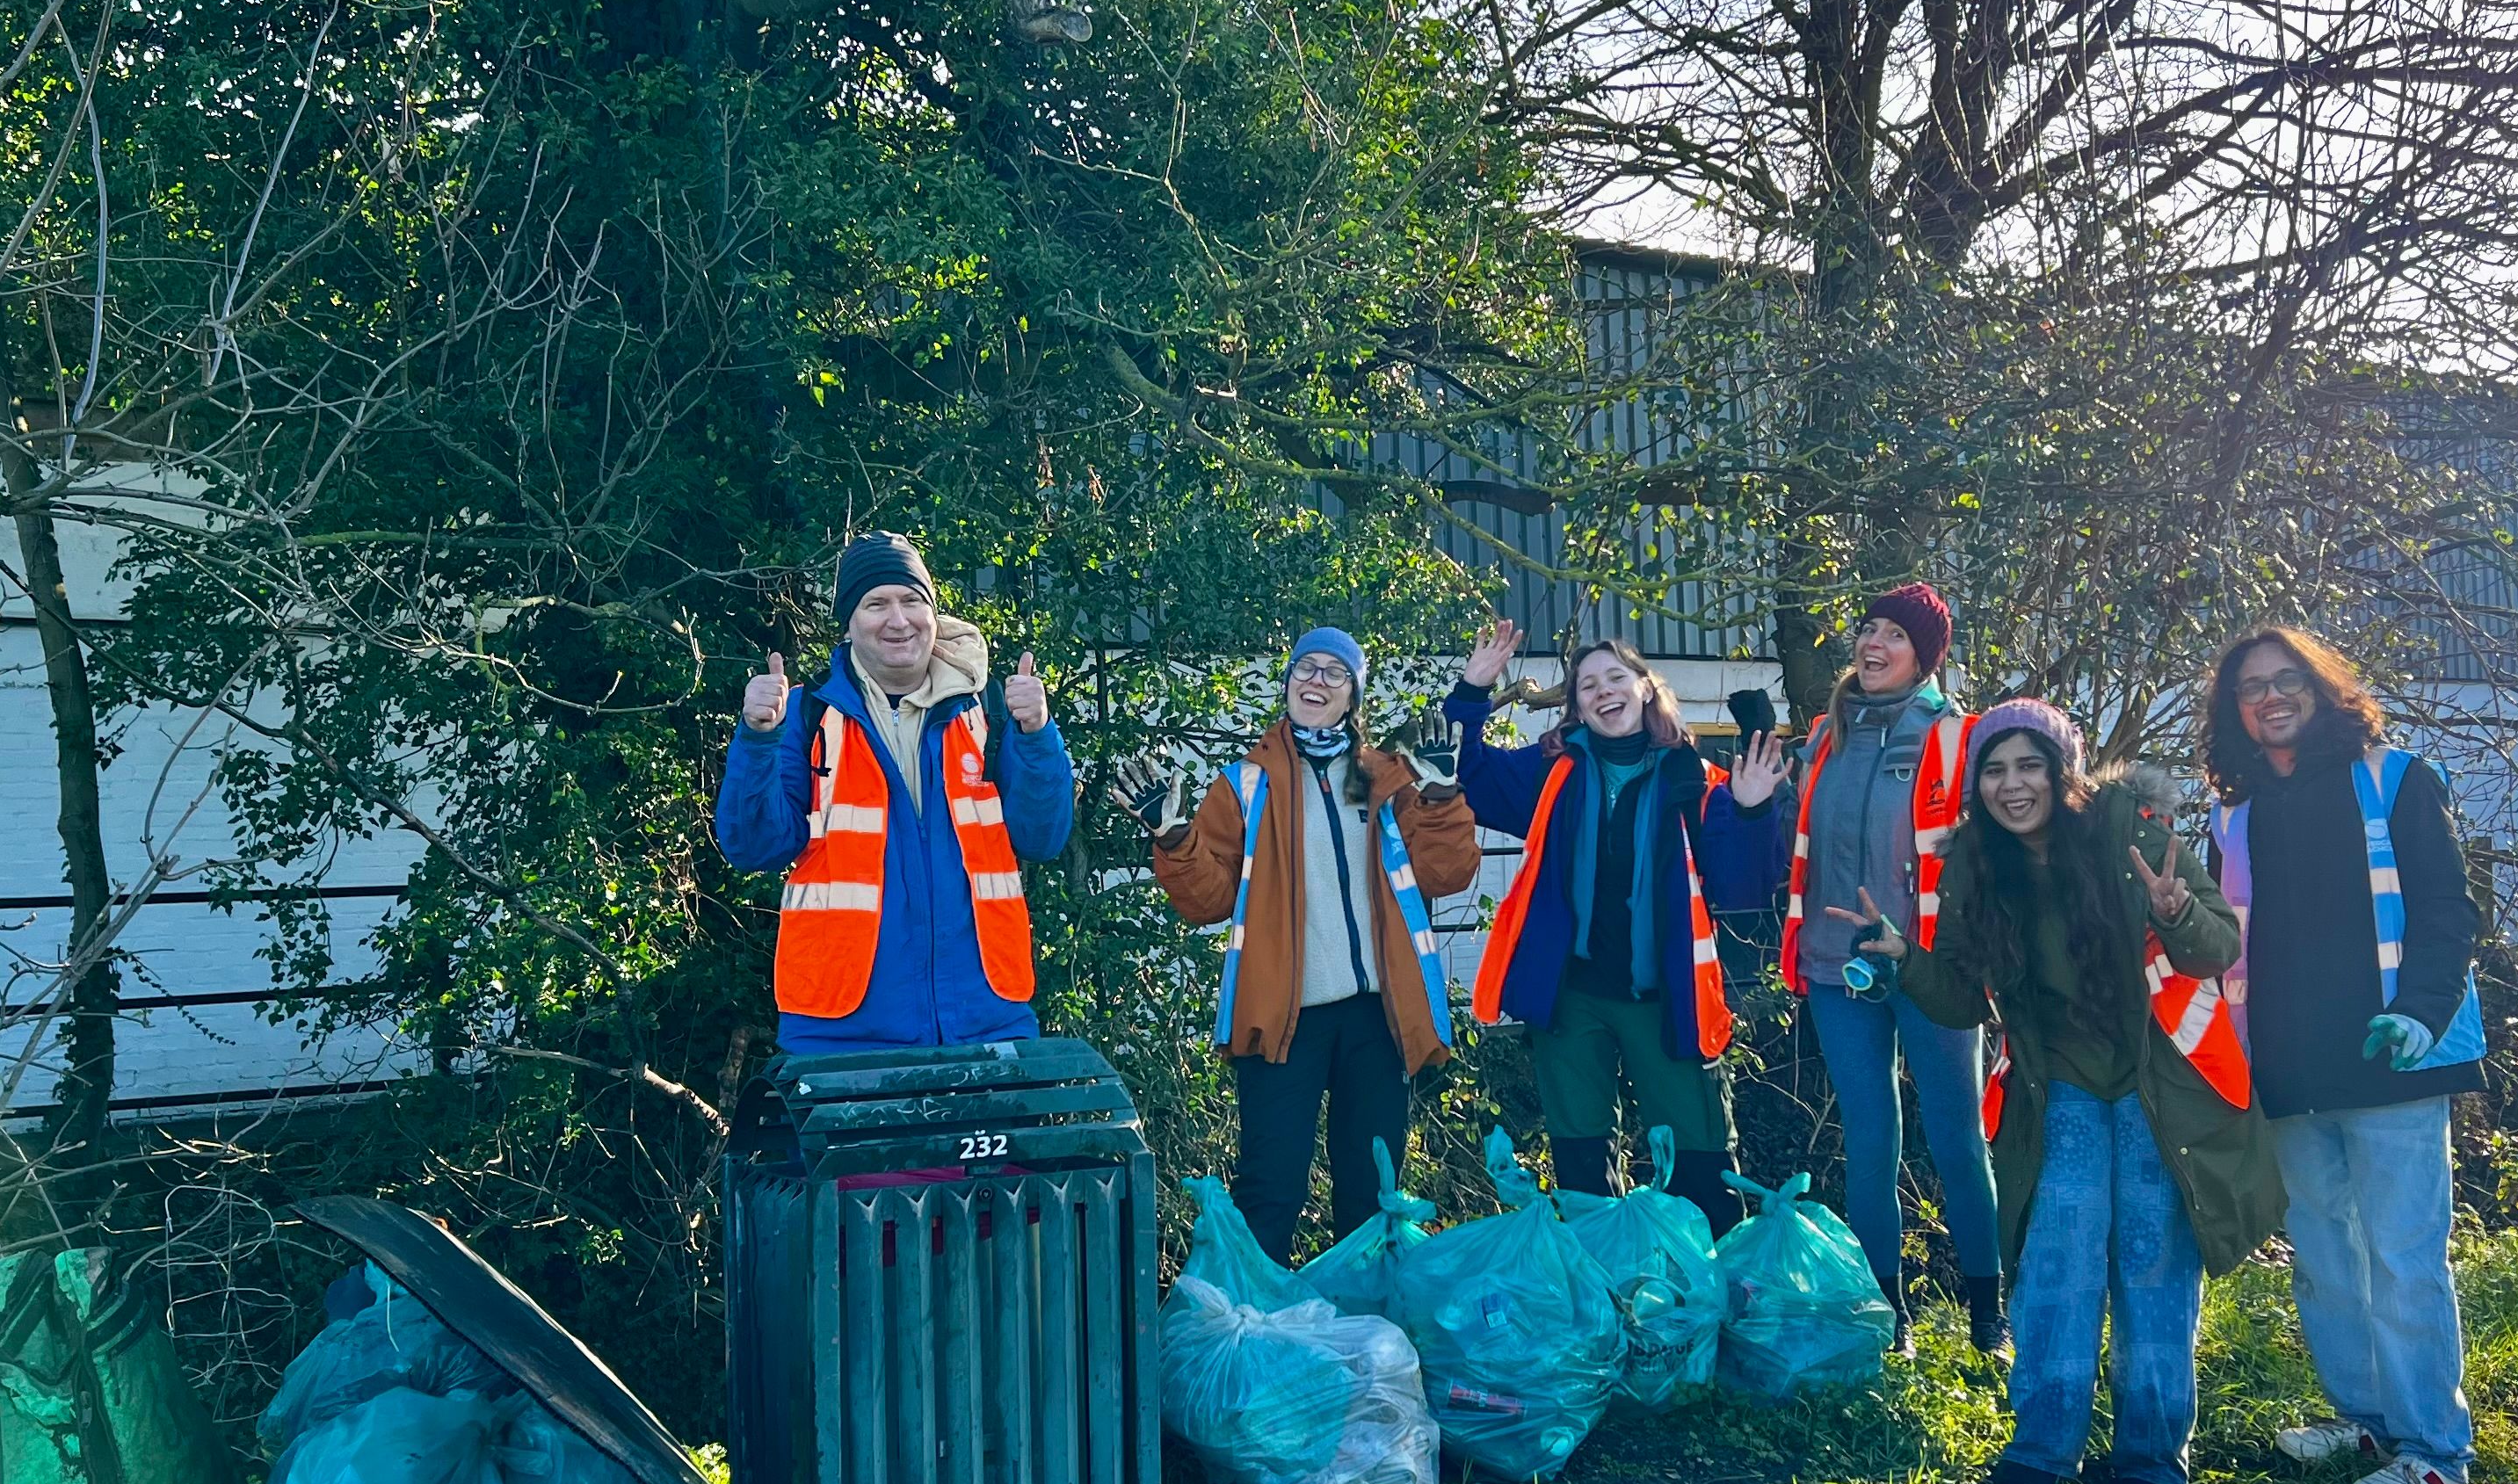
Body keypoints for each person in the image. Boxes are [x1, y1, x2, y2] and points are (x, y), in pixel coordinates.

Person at [1872, 700, 2282, 1484]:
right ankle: (2042, 1450)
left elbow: (2217, 948)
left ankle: (2152, 1460)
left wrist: (2172, 909)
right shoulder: (1975, 865)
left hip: (2154, 1083)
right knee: (2057, 1262)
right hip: (2056, 1087)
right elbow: (1961, 1000)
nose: (2012, 785)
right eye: (1994, 769)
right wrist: (1904, 960)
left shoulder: (2130, 827)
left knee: (2152, 1263)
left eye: (2030, 765)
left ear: (2065, 772)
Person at [2204, 626, 2485, 1484]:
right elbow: (2221, 947)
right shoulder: (2234, 815)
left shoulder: (2396, 780)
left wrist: (2420, 1013)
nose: (2271, 697)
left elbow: (2448, 911)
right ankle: (2365, 1422)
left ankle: (2435, 1454)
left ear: (2324, 689)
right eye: (2252, 687)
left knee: (2404, 1258)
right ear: (2235, 711)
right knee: (2326, 1259)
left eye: (2288, 680)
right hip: (2286, 1072)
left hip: (2392, 1061)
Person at [1150, 629, 1486, 1262]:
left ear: (1354, 694)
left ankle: (1367, 1344)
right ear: (1287, 684)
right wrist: (1174, 840)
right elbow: (1207, 901)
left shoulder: (1392, 779)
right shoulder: (1245, 784)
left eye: (1337, 673)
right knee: (1270, 1192)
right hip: (1284, 1016)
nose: (1318, 680)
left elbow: (1447, 874)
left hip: (1376, 1017)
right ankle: (1258, 1339)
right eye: (1308, 667)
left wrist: (1441, 797)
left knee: (1372, 1194)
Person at [1445, 618, 1787, 1234]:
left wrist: (1754, 807)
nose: (1603, 691)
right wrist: (1472, 692)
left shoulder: (1694, 777)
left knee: (1700, 1160)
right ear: (1576, 705)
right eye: (1587, 685)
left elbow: (1740, 889)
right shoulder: (1554, 770)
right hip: (1572, 998)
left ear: (1645, 689)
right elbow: (1467, 772)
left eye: (1615, 678)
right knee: (1582, 1164)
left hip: (1668, 999)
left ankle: (1711, 1296)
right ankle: (1608, 1301)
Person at [716, 533, 1075, 1052]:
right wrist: (758, 738)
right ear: (849, 621)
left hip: (985, 1021)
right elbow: (753, 847)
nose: (898, 620)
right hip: (838, 1031)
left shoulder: (994, 709)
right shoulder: (806, 715)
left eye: (912, 600)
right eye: (876, 603)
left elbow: (1043, 838)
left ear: (933, 612)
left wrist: (1038, 733)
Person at [1778, 583, 2008, 1357]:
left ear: (1926, 656)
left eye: (1894, 636)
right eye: (1867, 630)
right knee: (1869, 1135)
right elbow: (1786, 835)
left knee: (1956, 1136)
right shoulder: (1822, 738)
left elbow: (2021, 812)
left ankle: (1989, 1314)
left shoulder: (1959, 737)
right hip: (1836, 966)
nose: (1872, 644)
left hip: (1930, 968)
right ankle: (1889, 1315)